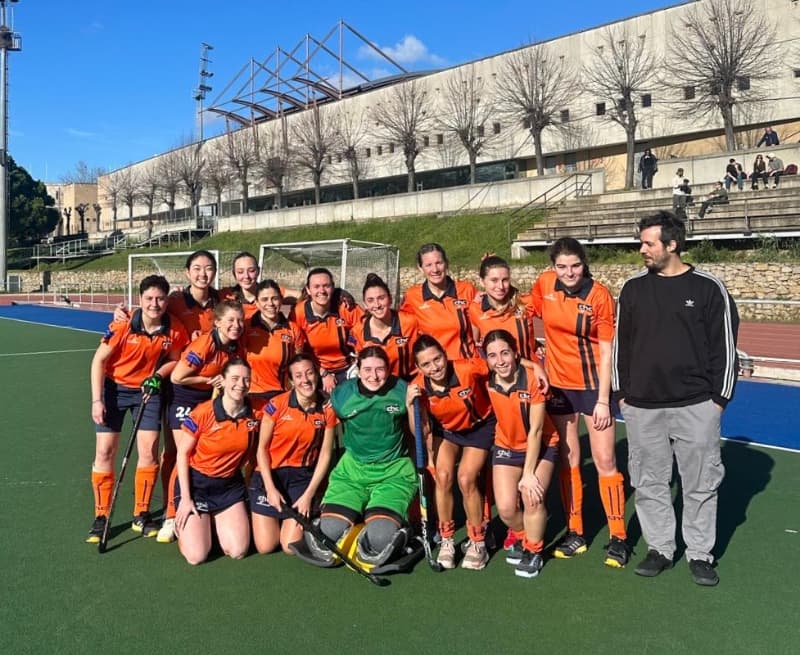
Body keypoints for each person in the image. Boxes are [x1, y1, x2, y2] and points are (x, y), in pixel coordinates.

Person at [613, 210, 739, 587]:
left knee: (700, 484)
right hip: (642, 407)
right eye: (641, 243)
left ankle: (699, 553)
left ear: (672, 244)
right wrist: (622, 396)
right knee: (649, 482)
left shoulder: (708, 288)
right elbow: (621, 347)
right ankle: (661, 548)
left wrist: (718, 400)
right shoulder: (633, 289)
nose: (642, 249)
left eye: (648, 243)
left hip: (696, 405)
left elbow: (726, 348)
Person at [528, 238, 629, 568]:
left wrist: (603, 400)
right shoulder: (545, 284)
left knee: (605, 459)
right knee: (569, 459)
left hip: (592, 388)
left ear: (584, 264)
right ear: (553, 267)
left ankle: (618, 536)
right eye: (562, 266)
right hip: (558, 386)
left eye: (575, 265)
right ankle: (576, 533)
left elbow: (607, 352)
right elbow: (522, 311)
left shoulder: (599, 295)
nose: (569, 272)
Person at [86, 275, 188, 543]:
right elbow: (98, 361)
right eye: (149, 298)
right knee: (105, 451)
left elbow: (175, 359)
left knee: (149, 450)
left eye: (160, 299)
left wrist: (157, 375)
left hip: (148, 390)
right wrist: (97, 400)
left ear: (166, 300)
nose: (155, 304)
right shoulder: (123, 325)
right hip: (114, 390)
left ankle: (141, 514)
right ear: (139, 299)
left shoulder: (174, 329)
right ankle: (101, 516)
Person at [302, 346, 419, 571]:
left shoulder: (401, 390)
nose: (374, 376)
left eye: (380, 369)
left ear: (388, 369)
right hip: (352, 472)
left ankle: (395, 528)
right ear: (358, 369)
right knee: (329, 530)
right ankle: (355, 517)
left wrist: (411, 405)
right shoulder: (342, 395)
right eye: (367, 369)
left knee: (380, 538)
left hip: (393, 473)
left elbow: (419, 433)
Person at [159, 300, 247, 542]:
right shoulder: (205, 343)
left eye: (240, 320)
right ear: (217, 322)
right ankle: (171, 514)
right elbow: (177, 377)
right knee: (184, 453)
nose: (236, 325)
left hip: (208, 398)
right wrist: (208, 381)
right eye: (230, 320)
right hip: (185, 397)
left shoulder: (235, 346)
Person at [410, 335, 495, 571]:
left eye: (437, 359)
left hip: (480, 427)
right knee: (443, 476)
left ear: (445, 355)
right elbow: (421, 432)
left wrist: (535, 367)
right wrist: (410, 404)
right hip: (448, 432)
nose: (434, 367)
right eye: (426, 364)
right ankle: (446, 539)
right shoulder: (418, 386)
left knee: (466, 478)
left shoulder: (467, 368)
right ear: (418, 367)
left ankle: (478, 541)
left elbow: (498, 364)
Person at [483, 329, 559, 579]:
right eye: (493, 355)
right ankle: (527, 534)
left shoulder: (533, 381)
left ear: (516, 353)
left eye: (505, 353)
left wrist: (528, 474)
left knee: (531, 496)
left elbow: (536, 431)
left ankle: (534, 550)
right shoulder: (484, 376)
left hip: (541, 445)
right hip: (506, 446)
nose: (500, 361)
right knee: (506, 509)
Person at [174, 358, 261, 564]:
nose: (241, 384)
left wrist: (322, 397)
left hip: (229, 486)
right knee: (196, 556)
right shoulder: (203, 413)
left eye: (246, 379)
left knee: (238, 551)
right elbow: (182, 454)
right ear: (222, 380)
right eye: (235, 378)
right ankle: (186, 527)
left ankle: (211, 522)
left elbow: (283, 404)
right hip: (197, 485)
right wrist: (186, 498)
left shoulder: (256, 411)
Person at [250, 353, 336, 554]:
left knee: (289, 546)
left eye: (309, 373)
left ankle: (312, 508)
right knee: (265, 546)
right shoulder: (276, 405)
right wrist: (270, 489)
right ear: (291, 381)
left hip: (301, 478)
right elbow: (261, 449)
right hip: (270, 476)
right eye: (298, 376)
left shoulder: (327, 409)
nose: (305, 380)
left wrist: (308, 495)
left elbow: (325, 455)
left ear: (317, 374)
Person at [291, 267, 363, 393]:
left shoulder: (347, 308)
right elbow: (297, 353)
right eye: (316, 286)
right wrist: (322, 373)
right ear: (308, 290)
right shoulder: (298, 313)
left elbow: (364, 334)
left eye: (326, 286)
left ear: (333, 288)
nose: (322, 291)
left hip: (347, 368)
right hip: (315, 370)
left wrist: (359, 363)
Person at [400, 243, 478, 361]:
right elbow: (403, 329)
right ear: (420, 268)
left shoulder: (466, 289)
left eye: (439, 263)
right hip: (434, 367)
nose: (435, 270)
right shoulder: (412, 296)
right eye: (428, 265)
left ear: (446, 263)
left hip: (466, 365)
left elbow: (483, 320)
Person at [349, 273, 420, 380]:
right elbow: (355, 361)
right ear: (365, 305)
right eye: (370, 300)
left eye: (381, 298)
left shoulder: (410, 322)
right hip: (376, 383)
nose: (377, 305)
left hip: (408, 383)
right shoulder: (357, 331)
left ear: (390, 299)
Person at [244, 279, 306, 402]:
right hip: (252, 394)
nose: (270, 303)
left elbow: (298, 365)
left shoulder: (293, 329)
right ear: (256, 303)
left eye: (275, 298)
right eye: (264, 299)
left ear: (281, 300)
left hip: (281, 395)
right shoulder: (246, 327)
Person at [221, 251, 261, 319]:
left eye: (251, 271)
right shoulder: (225, 295)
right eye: (240, 272)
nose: (246, 276)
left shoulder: (270, 294)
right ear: (234, 274)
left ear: (258, 271)